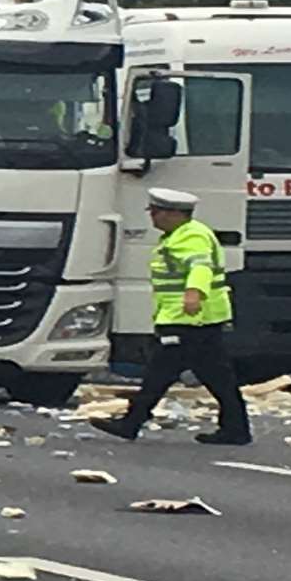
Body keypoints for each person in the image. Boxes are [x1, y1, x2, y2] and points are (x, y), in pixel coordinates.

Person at [91, 188, 252, 445]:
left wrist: (193, 293)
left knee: (161, 372)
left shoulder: (190, 236)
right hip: (195, 319)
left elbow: (200, 267)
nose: (152, 217)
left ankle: (132, 423)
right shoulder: (178, 235)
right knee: (215, 376)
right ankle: (236, 428)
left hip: (189, 319)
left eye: (156, 212)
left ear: (174, 214)